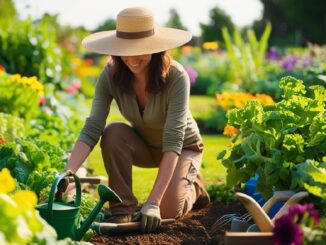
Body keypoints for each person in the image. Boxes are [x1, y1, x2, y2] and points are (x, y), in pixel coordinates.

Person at [63, 6, 210, 233]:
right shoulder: (110, 75)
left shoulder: (176, 77)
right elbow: (93, 127)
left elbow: (173, 140)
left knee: (168, 211)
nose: (132, 58)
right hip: (145, 145)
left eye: (140, 49)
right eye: (125, 49)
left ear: (156, 48)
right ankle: (122, 210)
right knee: (113, 132)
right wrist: (68, 173)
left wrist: (153, 202)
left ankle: (195, 187)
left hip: (182, 147)